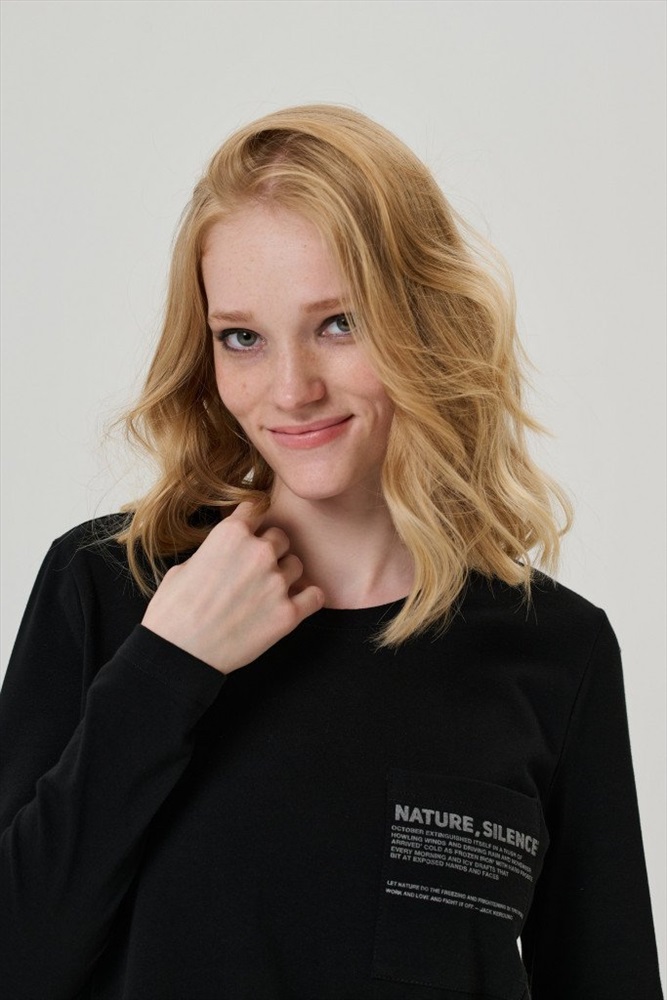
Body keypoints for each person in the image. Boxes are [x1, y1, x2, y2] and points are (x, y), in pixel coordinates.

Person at [0, 105, 662, 1000]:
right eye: (242, 337)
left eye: (339, 323)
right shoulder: (110, 588)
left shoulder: (555, 651)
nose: (291, 389)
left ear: (423, 320)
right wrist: (167, 667)